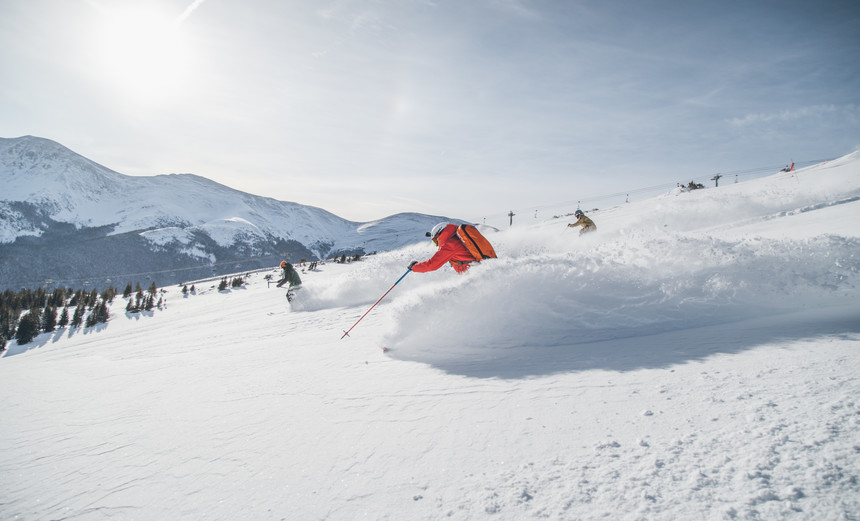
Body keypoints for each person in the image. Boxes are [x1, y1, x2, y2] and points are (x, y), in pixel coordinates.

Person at [408, 223, 479, 274]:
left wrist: (414, 267)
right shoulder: (456, 239)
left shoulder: (450, 245)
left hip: (472, 272)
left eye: (435, 241)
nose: (437, 245)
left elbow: (432, 265)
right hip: (475, 269)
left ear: (438, 235)